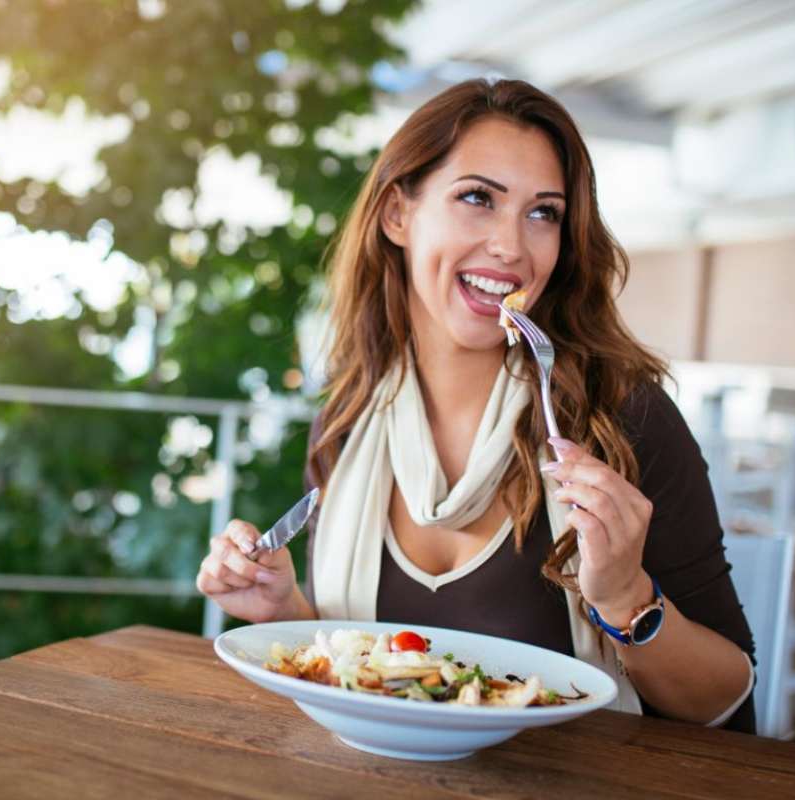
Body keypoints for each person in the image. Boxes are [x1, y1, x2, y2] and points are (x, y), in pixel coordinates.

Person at [195, 78, 757, 732]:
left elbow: (727, 702)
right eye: (477, 198)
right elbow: (365, 669)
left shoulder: (624, 416)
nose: (512, 247)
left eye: (543, 213)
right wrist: (285, 611)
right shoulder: (347, 425)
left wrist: (628, 597)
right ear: (397, 214)